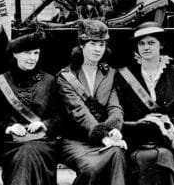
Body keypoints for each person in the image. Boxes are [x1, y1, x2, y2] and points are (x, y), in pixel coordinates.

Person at [114, 22, 174, 185]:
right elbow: (121, 115)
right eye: (142, 43)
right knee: (151, 157)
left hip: (172, 141)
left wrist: (167, 124)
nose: (146, 47)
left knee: (167, 156)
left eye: (151, 42)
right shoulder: (125, 77)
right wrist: (149, 124)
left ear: (161, 45)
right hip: (138, 142)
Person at [55, 19, 128, 185]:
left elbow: (115, 107)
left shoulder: (110, 73)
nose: (98, 49)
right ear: (82, 45)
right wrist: (103, 136)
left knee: (117, 152)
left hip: (104, 136)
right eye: (93, 43)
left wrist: (114, 131)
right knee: (92, 167)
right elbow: (79, 112)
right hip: (75, 141)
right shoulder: (66, 77)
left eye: (102, 45)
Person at [0, 30, 60, 185]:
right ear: (15, 54)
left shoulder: (49, 81)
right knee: (23, 156)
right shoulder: (2, 82)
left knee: (29, 153)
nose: (32, 58)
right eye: (27, 53)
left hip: (43, 143)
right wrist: (9, 127)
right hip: (11, 145)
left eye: (36, 53)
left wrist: (44, 124)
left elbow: (59, 117)